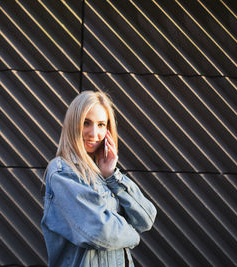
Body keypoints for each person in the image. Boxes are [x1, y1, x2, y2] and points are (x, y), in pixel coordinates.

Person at [41, 90, 157, 266]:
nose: (94, 133)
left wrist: (112, 175)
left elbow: (146, 218)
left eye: (101, 124)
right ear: (73, 124)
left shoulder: (103, 173)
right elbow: (99, 231)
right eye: (86, 123)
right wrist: (133, 235)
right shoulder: (63, 171)